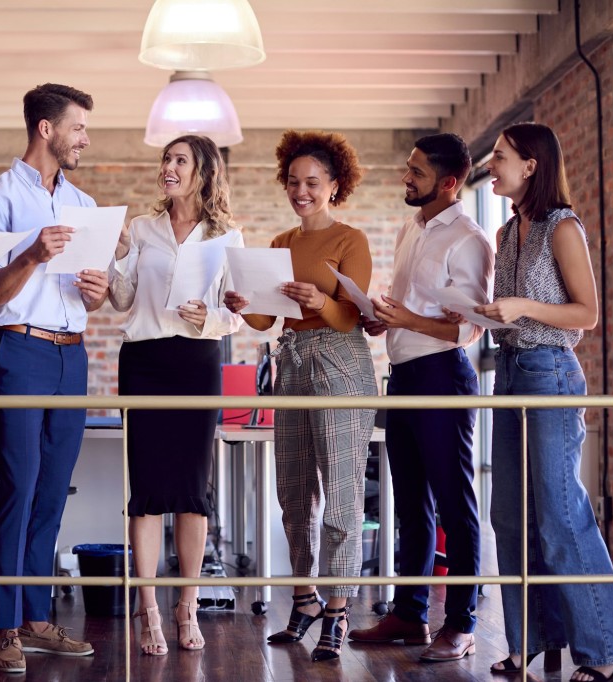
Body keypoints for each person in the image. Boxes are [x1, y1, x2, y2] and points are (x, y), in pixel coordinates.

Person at [476, 122, 613, 682]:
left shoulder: (561, 227)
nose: (491, 165)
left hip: (550, 375)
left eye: (499, 157)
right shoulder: (505, 233)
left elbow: (586, 315)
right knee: (510, 516)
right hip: (511, 373)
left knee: (561, 517)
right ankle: (532, 641)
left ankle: (607, 652)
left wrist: (520, 305)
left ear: (531, 165)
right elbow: (514, 312)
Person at [0, 82, 109, 674]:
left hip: (72, 355)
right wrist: (30, 255)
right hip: (19, 353)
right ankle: (3, 627)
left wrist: (96, 294)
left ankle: (35, 617)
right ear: (46, 129)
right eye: (78, 128)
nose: (85, 139)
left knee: (52, 490)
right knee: (19, 489)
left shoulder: (83, 204)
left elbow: (87, 299)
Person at [223, 129, 377, 662]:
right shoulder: (281, 243)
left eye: (312, 182)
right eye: (293, 181)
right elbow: (270, 318)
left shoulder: (350, 240)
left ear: (335, 185)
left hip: (341, 364)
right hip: (292, 364)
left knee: (340, 497)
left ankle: (338, 611)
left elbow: (353, 314)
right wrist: (243, 306)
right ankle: (305, 598)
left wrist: (320, 298)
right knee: (293, 493)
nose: (301, 191)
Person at [349, 133, 493, 664]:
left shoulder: (470, 239)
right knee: (410, 503)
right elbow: (415, 310)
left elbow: (471, 329)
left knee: (456, 502)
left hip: (443, 376)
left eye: (417, 172)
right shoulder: (413, 229)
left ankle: (461, 624)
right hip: (404, 374)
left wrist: (405, 318)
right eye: (408, 168)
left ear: (449, 183)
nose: (406, 178)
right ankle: (410, 616)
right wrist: (379, 315)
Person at [108, 134, 244, 655]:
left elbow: (242, 312)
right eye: (166, 158)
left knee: (192, 490)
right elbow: (121, 301)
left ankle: (187, 609)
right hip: (143, 363)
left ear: (203, 172)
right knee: (145, 492)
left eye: (179, 160)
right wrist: (120, 256)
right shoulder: (142, 229)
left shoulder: (227, 236)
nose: (168, 166)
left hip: (196, 362)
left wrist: (210, 318)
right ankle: (148, 614)